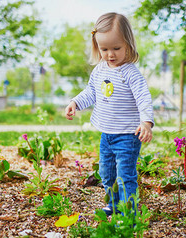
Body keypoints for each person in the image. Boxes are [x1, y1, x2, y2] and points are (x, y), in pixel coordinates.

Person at [64, 12, 154, 216]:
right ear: (97, 47)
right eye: (104, 49)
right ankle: (112, 205)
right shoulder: (99, 70)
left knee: (125, 175)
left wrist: (146, 122)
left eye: (116, 48)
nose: (110, 54)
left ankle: (128, 212)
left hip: (128, 135)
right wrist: (75, 102)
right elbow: (91, 92)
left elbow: (143, 98)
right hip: (107, 134)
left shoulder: (130, 72)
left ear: (128, 45)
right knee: (106, 172)